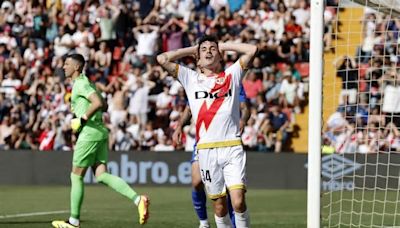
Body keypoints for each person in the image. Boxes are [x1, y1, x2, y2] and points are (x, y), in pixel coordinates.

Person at [157, 35, 257, 227]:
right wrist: (192, 49)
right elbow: (162, 59)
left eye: (213, 49)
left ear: (220, 56)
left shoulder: (232, 75)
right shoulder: (190, 78)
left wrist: (223, 46)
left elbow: (252, 49)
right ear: (198, 58)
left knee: (238, 201)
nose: (209, 51)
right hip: (206, 150)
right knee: (219, 206)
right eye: (204, 49)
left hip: (232, 147)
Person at [51, 54, 149, 228]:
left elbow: (97, 102)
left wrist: (82, 119)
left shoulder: (81, 83)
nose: (63, 67)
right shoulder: (86, 83)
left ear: (76, 67)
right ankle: (138, 199)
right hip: (99, 131)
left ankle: (73, 222)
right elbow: (103, 103)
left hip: (89, 133)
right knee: (101, 175)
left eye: (66, 64)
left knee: (76, 176)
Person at [173, 85, 250, 228]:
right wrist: (179, 126)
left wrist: (243, 120)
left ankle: (234, 224)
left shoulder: (232, 80)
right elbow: (189, 109)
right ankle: (203, 222)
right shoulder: (198, 82)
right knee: (196, 181)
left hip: (227, 141)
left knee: (231, 192)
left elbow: (244, 107)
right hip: (204, 140)